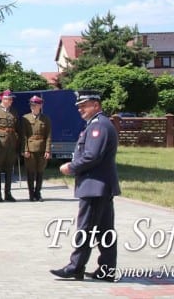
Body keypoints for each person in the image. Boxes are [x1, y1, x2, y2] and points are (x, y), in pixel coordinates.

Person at [51, 91, 120, 283]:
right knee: (104, 230)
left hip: (95, 186)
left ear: (96, 105)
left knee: (86, 228)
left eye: (84, 105)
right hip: (99, 185)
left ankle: (75, 267)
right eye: (79, 106)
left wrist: (70, 167)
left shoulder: (99, 126)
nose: (80, 109)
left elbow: (92, 155)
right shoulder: (98, 124)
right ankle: (106, 269)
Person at [20, 95, 52, 201]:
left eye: (35, 105)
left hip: (42, 148)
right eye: (32, 105)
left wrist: (48, 150)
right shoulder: (25, 118)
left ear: (40, 106)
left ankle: (38, 193)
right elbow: (23, 135)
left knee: (40, 172)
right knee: (30, 172)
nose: (33, 107)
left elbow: (48, 135)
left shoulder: (45, 118)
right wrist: (25, 149)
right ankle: (31, 194)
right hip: (30, 148)